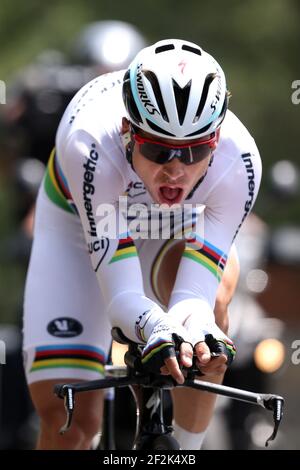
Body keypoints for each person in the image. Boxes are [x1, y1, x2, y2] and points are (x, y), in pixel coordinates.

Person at [23, 38, 262, 450]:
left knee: (209, 332)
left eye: (194, 152)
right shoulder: (91, 143)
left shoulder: (240, 164)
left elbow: (193, 298)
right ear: (127, 131)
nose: (175, 171)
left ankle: (184, 452)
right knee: (70, 423)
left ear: (216, 140)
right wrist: (154, 326)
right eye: (157, 149)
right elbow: (123, 296)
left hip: (177, 223)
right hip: (81, 227)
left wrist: (195, 325)